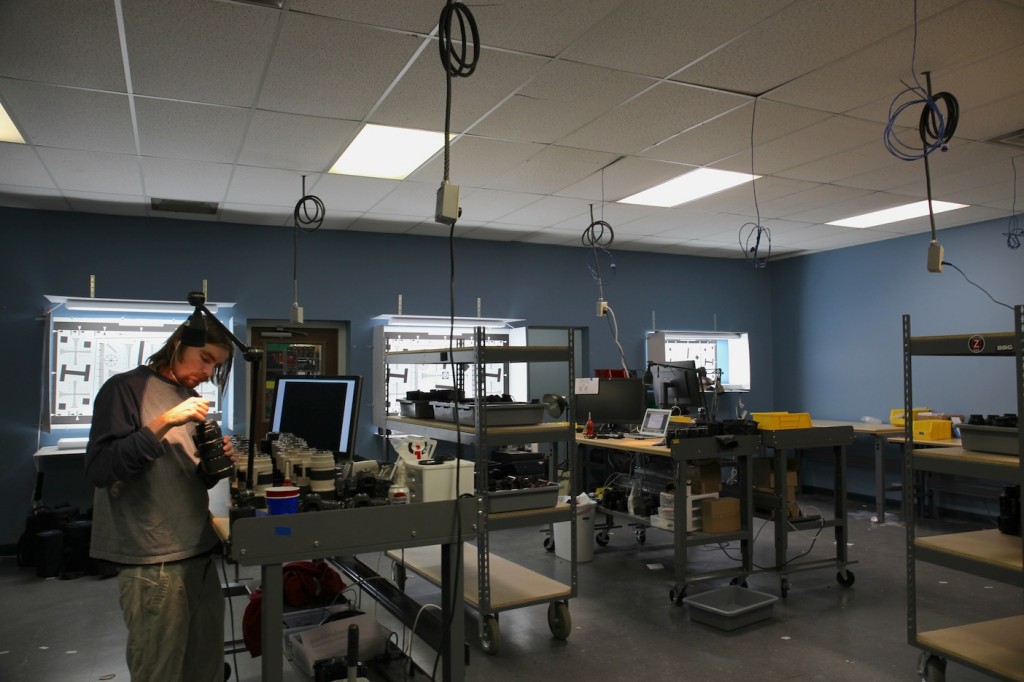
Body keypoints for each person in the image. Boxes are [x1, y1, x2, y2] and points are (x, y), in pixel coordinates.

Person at [85, 318, 236, 682]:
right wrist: (164, 421)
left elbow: (185, 476)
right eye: (204, 358)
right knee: (160, 670)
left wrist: (216, 462)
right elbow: (101, 468)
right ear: (179, 342)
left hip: (199, 552)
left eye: (215, 365)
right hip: (154, 562)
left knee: (207, 668)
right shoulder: (125, 389)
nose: (207, 372)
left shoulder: (191, 400)